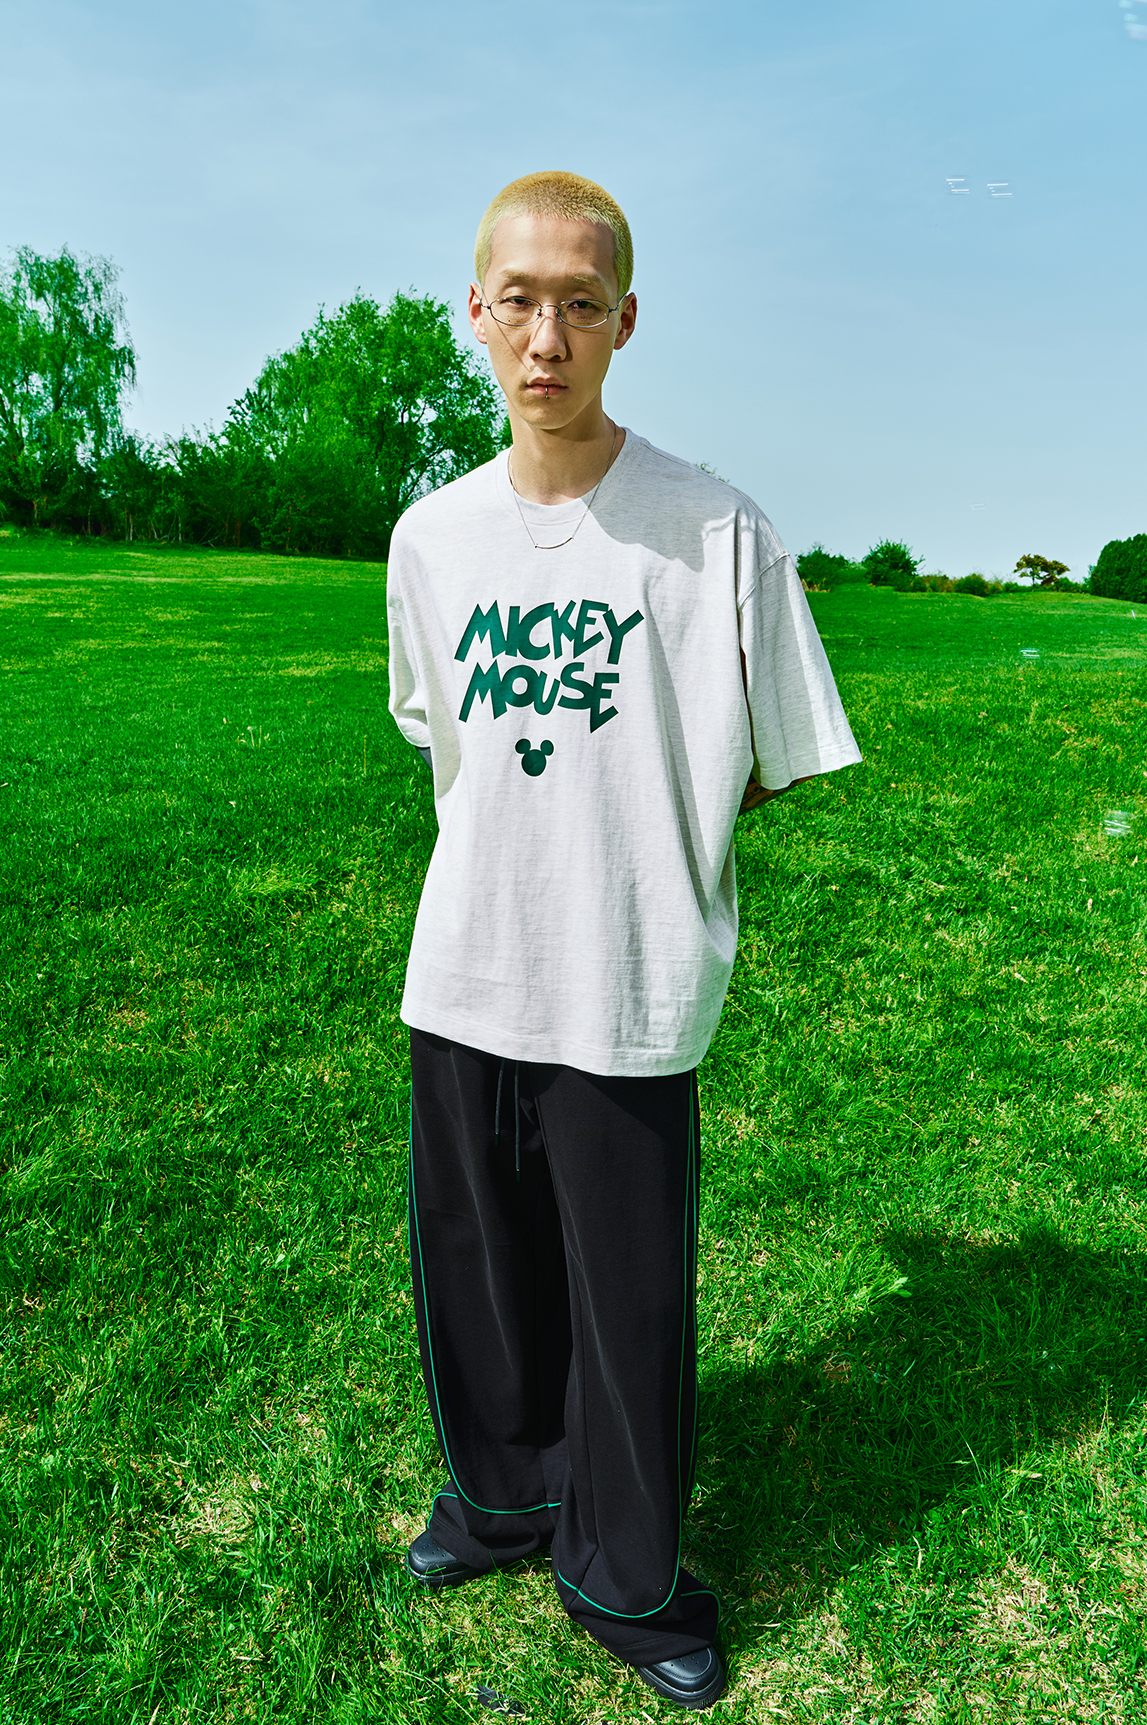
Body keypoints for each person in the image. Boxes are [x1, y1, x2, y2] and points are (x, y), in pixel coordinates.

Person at [386, 170, 860, 1713]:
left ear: (626, 321)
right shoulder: (431, 537)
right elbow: (439, 731)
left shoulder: (716, 532)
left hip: (628, 981)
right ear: (476, 312)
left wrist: (647, 842)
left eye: (580, 304)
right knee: (479, 1272)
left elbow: (771, 752)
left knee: (626, 1299)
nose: (548, 336)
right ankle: (501, 1500)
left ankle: (626, 1574)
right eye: (519, 301)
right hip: (467, 967)